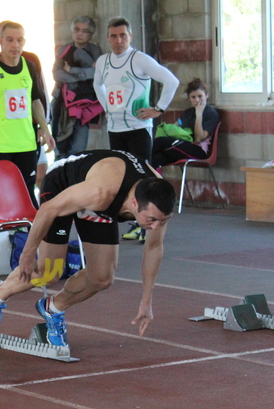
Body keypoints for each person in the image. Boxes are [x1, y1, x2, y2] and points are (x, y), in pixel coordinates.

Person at [0, 150, 176, 347]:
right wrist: (28, 252)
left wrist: (146, 300)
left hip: (99, 202)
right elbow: (48, 209)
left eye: (163, 221)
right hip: (63, 185)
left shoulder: (158, 204)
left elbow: (154, 247)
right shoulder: (102, 192)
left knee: (102, 278)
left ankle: (53, 308)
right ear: (134, 203)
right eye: (151, 220)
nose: (156, 226)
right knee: (48, 273)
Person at [93, 17, 179, 242]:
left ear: (130, 36)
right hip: (115, 129)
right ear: (108, 38)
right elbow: (97, 84)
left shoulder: (139, 59)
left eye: (123, 35)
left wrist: (158, 108)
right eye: (114, 36)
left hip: (138, 128)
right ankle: (132, 219)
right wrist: (107, 108)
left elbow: (171, 81)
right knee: (122, 177)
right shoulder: (103, 61)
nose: (118, 40)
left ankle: (146, 222)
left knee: (142, 177)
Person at [0, 21, 54, 204]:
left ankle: (28, 232)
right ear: (0, 41)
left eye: (19, 40)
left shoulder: (29, 66)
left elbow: (35, 101)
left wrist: (45, 129)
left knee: (27, 192)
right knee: (4, 194)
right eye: (10, 40)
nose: (15, 45)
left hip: (27, 144)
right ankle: (8, 232)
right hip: (0, 146)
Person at [51, 16, 103, 159]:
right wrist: (82, 76)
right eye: (77, 29)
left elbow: (98, 73)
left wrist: (73, 70)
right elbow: (57, 74)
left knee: (79, 149)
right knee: (60, 146)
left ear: (91, 34)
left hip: (84, 104)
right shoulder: (64, 49)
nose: (80, 34)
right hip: (62, 104)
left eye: (85, 31)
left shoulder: (95, 51)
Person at [150, 78, 220, 169]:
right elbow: (177, 128)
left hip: (198, 151)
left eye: (200, 96)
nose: (197, 100)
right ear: (189, 98)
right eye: (193, 97)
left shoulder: (211, 114)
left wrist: (199, 114)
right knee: (156, 158)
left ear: (206, 95)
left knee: (160, 141)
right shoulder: (187, 113)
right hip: (182, 146)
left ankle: (138, 158)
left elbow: (199, 138)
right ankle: (144, 180)